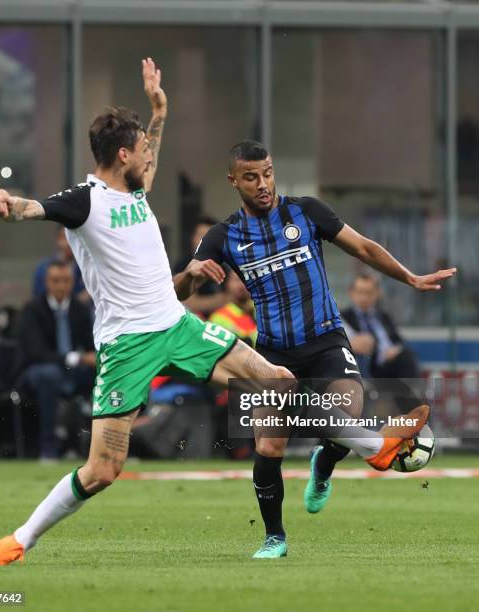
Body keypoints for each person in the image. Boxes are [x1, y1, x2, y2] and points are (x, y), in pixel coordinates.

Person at [0, 62, 426, 566]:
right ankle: (19, 540)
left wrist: (159, 110)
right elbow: (33, 209)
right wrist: (5, 202)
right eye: (142, 150)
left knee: (278, 382)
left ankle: (376, 448)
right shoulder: (84, 201)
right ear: (122, 155)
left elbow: (147, 155)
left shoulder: (136, 188)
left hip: (179, 326)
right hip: (127, 346)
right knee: (102, 469)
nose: (149, 158)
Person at [175, 140, 455, 558]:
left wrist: (410, 278)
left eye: (267, 173)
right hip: (271, 351)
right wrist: (190, 272)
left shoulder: (306, 211)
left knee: (348, 409)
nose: (263, 183)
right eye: (251, 177)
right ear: (234, 181)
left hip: (325, 340)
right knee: (269, 445)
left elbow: (363, 247)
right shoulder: (224, 236)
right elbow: (176, 295)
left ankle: (325, 464)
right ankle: (274, 537)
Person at [19, 261, 96, 460]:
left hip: (73, 372)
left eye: (66, 280)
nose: (61, 286)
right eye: (55, 281)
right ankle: (49, 448)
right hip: (36, 372)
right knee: (49, 375)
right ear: (47, 282)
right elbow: (36, 353)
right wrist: (77, 357)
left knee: (106, 373)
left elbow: (90, 345)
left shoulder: (79, 309)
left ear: (73, 282)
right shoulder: (33, 309)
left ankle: (102, 447)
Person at [342, 273, 421, 379]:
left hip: (390, 363)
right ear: (351, 293)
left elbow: (399, 340)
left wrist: (395, 349)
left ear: (377, 293)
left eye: (369, 293)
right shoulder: (344, 318)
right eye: (360, 292)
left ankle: (413, 394)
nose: (364, 297)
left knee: (406, 356)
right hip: (367, 365)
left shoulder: (383, 316)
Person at [172, 217, 228, 317]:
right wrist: (226, 299)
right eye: (201, 236)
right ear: (192, 238)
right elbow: (190, 304)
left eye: (211, 238)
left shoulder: (225, 267)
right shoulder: (183, 266)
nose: (205, 242)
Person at [32, 227, 87, 301]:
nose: (68, 243)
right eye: (64, 238)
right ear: (57, 240)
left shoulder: (87, 267)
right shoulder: (43, 268)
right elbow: (38, 297)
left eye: (73, 238)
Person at [208, 270, 257, 346]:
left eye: (244, 279)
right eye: (236, 280)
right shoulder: (218, 318)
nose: (241, 284)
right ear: (227, 284)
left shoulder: (264, 310)